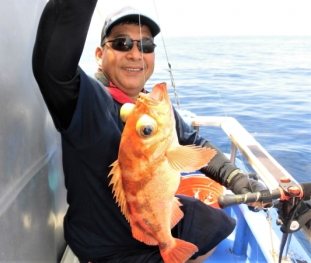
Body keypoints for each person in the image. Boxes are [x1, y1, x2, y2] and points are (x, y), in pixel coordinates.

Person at [32, 1, 265, 262]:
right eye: (122, 44)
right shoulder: (84, 100)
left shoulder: (151, 109)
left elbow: (193, 142)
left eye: (146, 46)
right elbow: (53, 70)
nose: (135, 54)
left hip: (145, 221)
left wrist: (235, 177)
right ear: (99, 54)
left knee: (214, 221)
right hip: (107, 248)